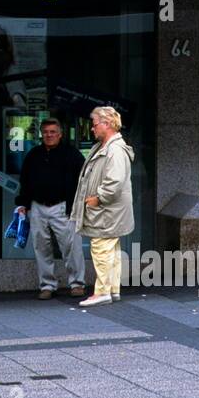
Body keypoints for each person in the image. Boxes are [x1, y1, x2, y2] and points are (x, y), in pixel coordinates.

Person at [14, 119, 87, 299]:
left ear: (60, 134)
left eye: (53, 131)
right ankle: (47, 286)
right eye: (46, 132)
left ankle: (77, 284)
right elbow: (25, 182)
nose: (49, 135)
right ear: (41, 134)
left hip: (62, 207)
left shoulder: (72, 154)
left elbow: (84, 181)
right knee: (41, 248)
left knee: (71, 247)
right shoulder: (33, 155)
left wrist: (76, 206)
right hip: (38, 207)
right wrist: (23, 204)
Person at [72, 106, 135, 308]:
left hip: (106, 211)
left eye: (95, 124)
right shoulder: (106, 146)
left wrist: (97, 199)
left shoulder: (114, 149)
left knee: (100, 250)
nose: (92, 128)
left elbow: (114, 182)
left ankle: (101, 292)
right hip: (108, 211)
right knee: (111, 251)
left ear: (107, 124)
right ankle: (112, 290)